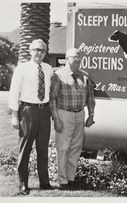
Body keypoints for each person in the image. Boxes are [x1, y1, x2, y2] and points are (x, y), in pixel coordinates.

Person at [9, 39, 54, 195]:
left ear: (45, 52)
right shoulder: (22, 69)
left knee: (43, 148)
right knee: (25, 148)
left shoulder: (48, 69)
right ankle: (23, 183)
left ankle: (44, 182)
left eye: (42, 50)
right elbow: (14, 93)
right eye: (36, 50)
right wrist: (15, 117)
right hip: (28, 111)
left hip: (45, 111)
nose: (39, 53)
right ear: (30, 51)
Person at [49, 48, 95, 190]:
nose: (78, 59)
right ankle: (62, 180)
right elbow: (52, 99)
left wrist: (91, 115)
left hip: (80, 114)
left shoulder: (84, 76)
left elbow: (90, 97)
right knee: (63, 148)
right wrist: (56, 119)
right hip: (64, 114)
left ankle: (71, 178)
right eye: (75, 57)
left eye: (79, 57)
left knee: (76, 147)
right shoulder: (58, 76)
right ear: (67, 58)